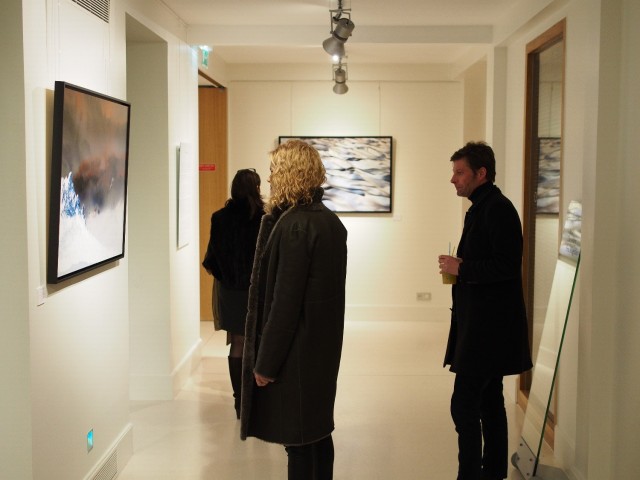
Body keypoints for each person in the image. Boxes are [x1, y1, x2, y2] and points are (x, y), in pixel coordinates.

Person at [240, 140, 348, 480]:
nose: (270, 178)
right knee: (318, 431)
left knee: (298, 440)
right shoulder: (329, 221)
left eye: (275, 170)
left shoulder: (295, 227)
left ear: (290, 173)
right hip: (320, 347)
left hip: (296, 352)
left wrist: (266, 363)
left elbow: (284, 303)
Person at [438, 142, 533, 480]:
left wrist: (462, 268)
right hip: (485, 326)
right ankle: (492, 471)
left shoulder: (497, 209)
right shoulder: (483, 207)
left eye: (459, 172)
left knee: (463, 405)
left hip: (487, 331)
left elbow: (506, 265)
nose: (453, 179)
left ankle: (470, 475)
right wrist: (462, 266)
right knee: (490, 401)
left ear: (481, 173)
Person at [202, 168, 264, 419]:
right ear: (255, 189)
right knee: (256, 341)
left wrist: (226, 277)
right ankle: (255, 399)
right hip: (257, 290)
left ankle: (239, 400)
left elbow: (211, 259)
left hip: (229, 291)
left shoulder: (220, 218)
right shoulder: (264, 219)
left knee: (237, 343)